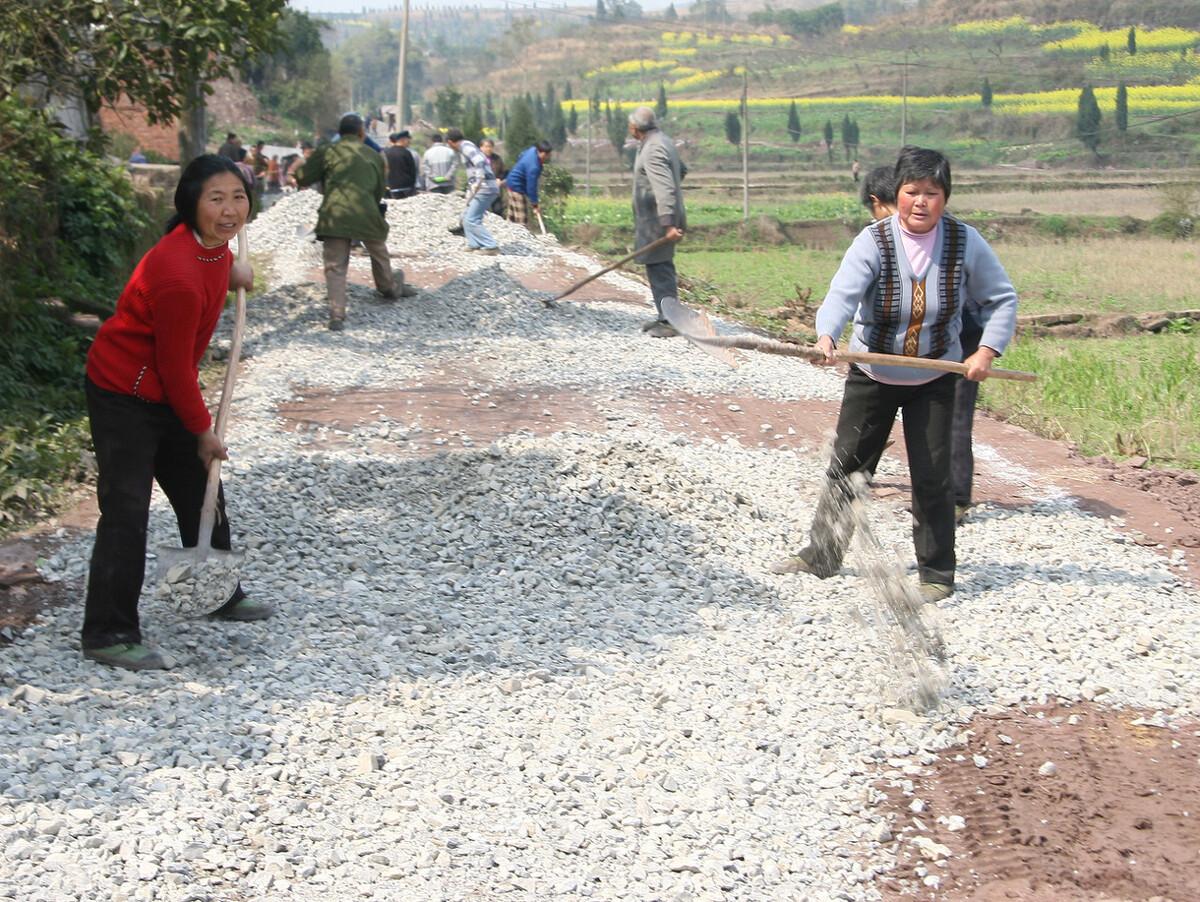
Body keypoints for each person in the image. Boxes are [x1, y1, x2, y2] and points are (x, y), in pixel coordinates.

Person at [770, 147, 1018, 602]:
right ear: (897, 194)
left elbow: (1002, 299)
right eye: (912, 192)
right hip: (873, 372)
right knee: (848, 466)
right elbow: (842, 295)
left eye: (932, 193)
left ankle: (937, 573)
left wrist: (986, 350)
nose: (921, 202)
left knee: (933, 475)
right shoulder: (874, 240)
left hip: (935, 376)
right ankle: (821, 555)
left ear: (946, 197)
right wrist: (826, 336)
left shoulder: (966, 242)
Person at [81, 154, 271, 671]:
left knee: (201, 489)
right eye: (216, 198)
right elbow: (174, 368)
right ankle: (107, 630)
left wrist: (233, 268)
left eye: (238, 196)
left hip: (163, 388)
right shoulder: (177, 274)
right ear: (190, 204)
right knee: (126, 511)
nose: (231, 209)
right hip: (125, 392)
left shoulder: (209, 248)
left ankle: (213, 594)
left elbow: (212, 263)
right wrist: (202, 431)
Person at [292, 113, 417, 331]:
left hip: (335, 216)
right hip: (367, 213)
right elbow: (379, 190)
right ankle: (389, 287)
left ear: (340, 133)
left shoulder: (327, 152)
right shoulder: (374, 155)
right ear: (361, 133)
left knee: (335, 267)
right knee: (379, 254)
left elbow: (302, 177)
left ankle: (337, 315)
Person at [628, 106, 686, 338]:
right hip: (656, 218)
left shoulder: (653, 149)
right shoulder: (662, 141)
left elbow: (665, 187)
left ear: (634, 127)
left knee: (660, 267)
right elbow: (680, 171)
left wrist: (669, 223)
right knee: (657, 266)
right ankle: (664, 315)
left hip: (658, 221)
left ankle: (671, 321)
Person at [445, 128, 500, 255]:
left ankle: (491, 246)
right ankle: (474, 244)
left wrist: (479, 180)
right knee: (467, 217)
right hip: (482, 187)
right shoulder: (466, 146)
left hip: (485, 188)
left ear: (450, 142)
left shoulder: (465, 147)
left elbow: (480, 162)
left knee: (471, 219)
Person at [504, 140, 552, 232]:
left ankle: (508, 233)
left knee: (512, 216)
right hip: (516, 186)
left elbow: (521, 155)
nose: (548, 157)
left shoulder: (533, 150)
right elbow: (531, 187)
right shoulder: (534, 167)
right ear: (541, 153)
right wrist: (535, 204)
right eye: (547, 155)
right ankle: (522, 238)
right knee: (522, 218)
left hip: (511, 182)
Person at [384, 131, 419, 199]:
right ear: (403, 140)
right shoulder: (406, 153)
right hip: (406, 188)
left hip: (391, 188)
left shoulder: (386, 153)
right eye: (408, 140)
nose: (409, 142)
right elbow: (412, 171)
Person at [480, 139, 507, 216]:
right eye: (486, 147)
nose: (488, 149)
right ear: (481, 147)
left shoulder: (497, 158)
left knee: (498, 210)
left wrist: (500, 179)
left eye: (490, 147)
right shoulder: (478, 159)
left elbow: (504, 171)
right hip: (482, 188)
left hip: (495, 188)